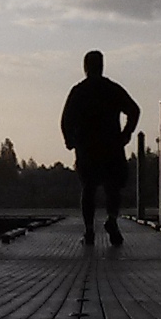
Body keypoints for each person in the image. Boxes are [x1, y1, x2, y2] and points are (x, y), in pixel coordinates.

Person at [60, 50, 140, 248]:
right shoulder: (112, 89)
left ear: (85, 67)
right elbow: (134, 110)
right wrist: (125, 134)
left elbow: (65, 119)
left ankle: (89, 231)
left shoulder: (79, 91)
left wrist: (70, 140)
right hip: (112, 145)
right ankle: (112, 220)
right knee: (113, 188)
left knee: (88, 188)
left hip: (87, 148)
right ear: (102, 66)